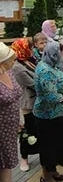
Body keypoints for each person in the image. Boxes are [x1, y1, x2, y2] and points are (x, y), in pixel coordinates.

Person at [33, 42, 63, 182]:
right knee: (48, 147)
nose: (62, 55)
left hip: (58, 113)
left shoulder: (52, 65)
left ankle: (53, 172)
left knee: (57, 145)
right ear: (53, 54)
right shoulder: (45, 71)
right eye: (60, 52)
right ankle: (46, 177)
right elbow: (50, 96)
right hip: (48, 115)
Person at [11, 38, 39, 172]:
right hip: (27, 104)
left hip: (34, 102)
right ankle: (24, 158)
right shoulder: (17, 68)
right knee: (27, 132)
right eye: (30, 47)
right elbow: (33, 84)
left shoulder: (26, 61)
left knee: (35, 130)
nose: (32, 49)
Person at [0, 42, 22, 182]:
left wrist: (19, 118)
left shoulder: (9, 72)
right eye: (11, 59)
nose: (14, 61)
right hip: (1, 130)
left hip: (10, 130)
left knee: (7, 164)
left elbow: (16, 96)